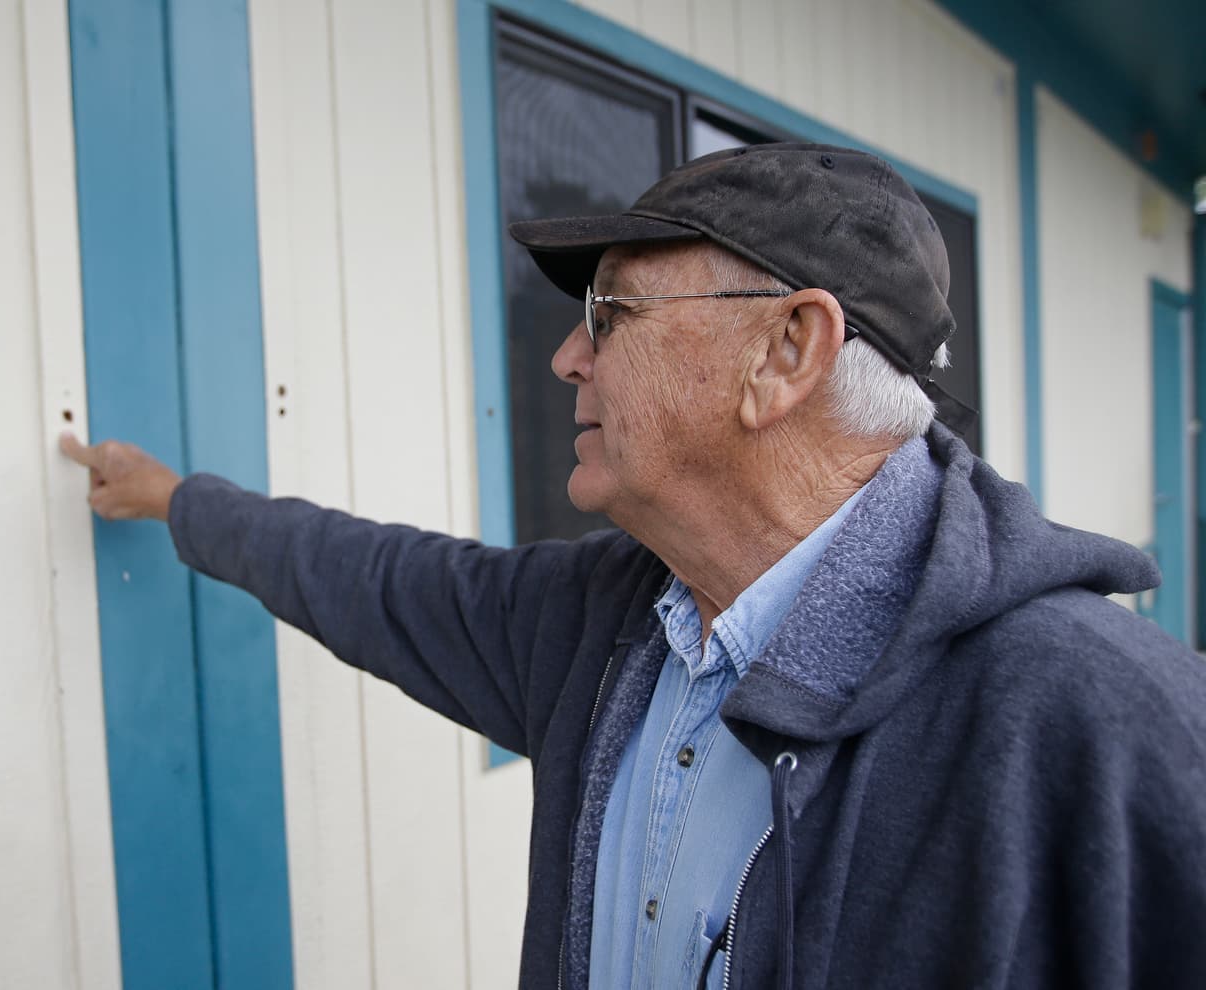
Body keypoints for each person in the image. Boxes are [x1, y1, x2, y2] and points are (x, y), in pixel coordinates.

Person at [62, 143, 1206, 989]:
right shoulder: (595, 620)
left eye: (608, 312)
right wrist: (175, 499)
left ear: (786, 352)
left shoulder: (1098, 725)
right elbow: (366, 576)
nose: (567, 356)